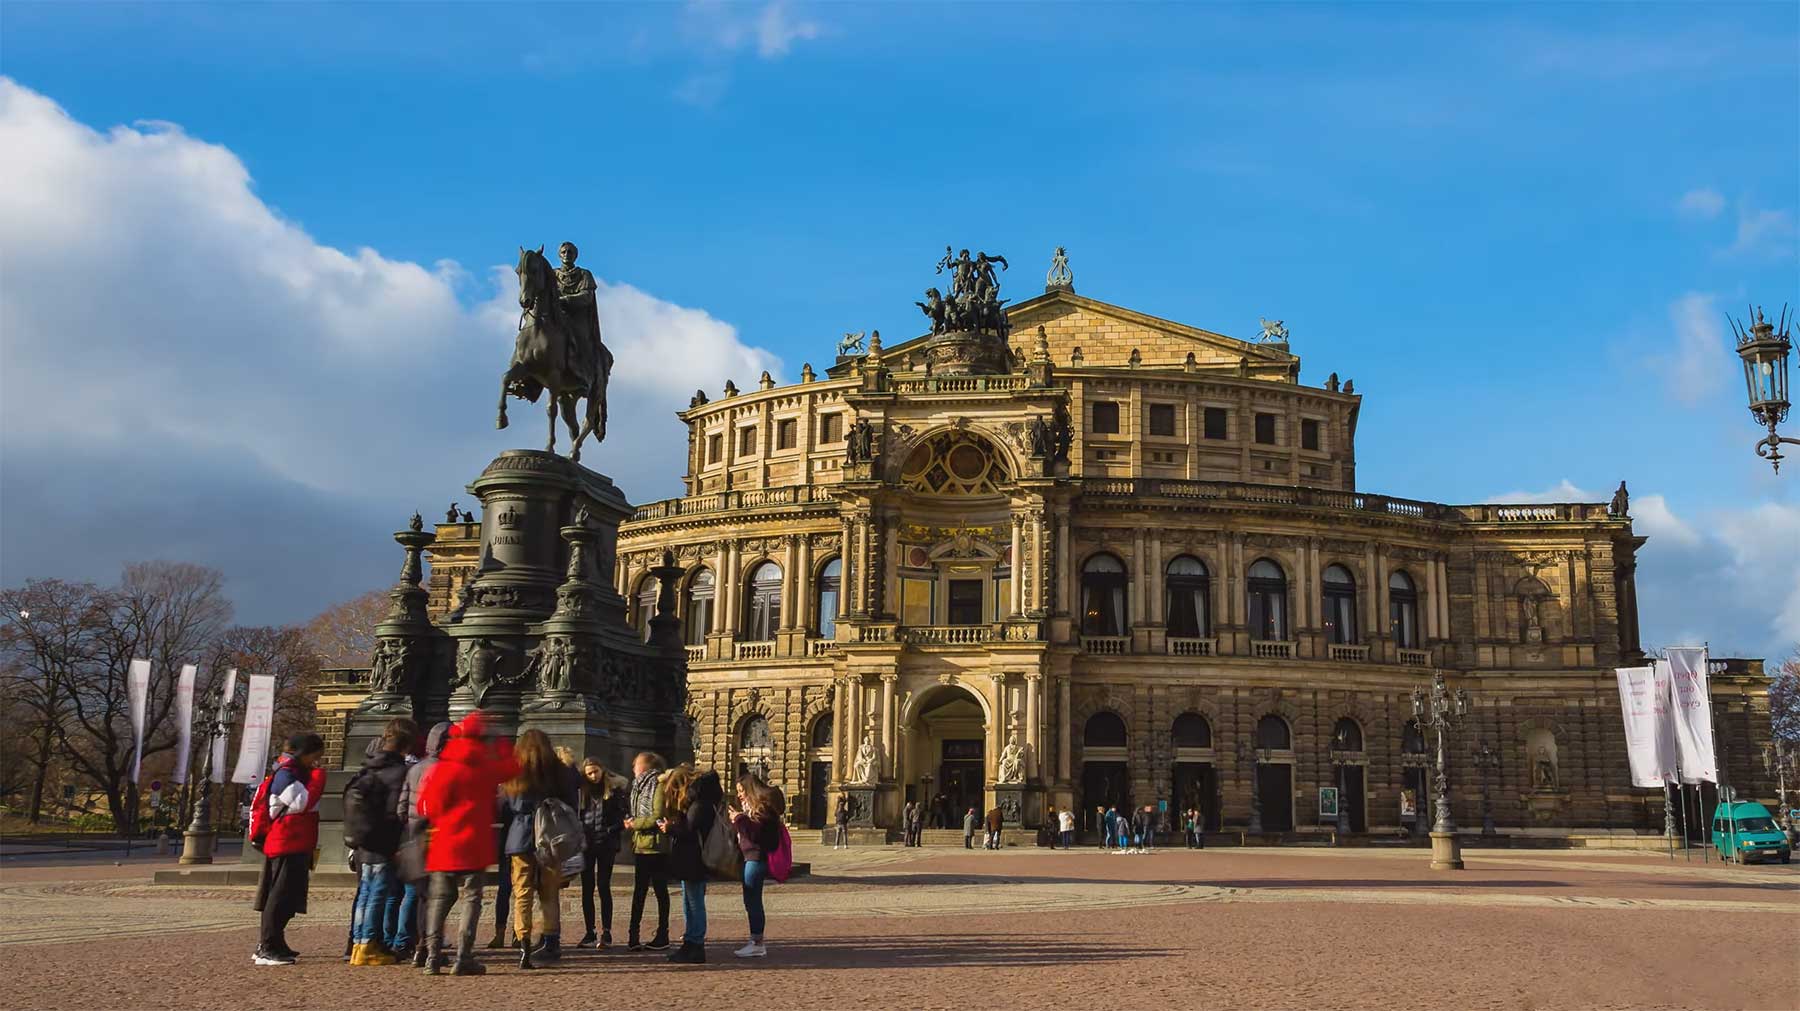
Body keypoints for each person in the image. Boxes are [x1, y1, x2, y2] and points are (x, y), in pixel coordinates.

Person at [417, 712, 519, 976]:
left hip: (446, 841)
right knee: (472, 899)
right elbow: (513, 768)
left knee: (438, 900)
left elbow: (430, 806)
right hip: (476, 842)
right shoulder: (485, 766)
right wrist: (500, 742)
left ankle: (432, 955)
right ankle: (464, 955)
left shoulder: (445, 767)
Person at [500, 729, 576, 969]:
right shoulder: (560, 772)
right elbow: (571, 803)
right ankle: (551, 941)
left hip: (520, 835)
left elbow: (509, 806)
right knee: (549, 893)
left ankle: (523, 943)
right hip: (551, 836)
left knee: (522, 892)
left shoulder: (514, 772)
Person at [250, 731, 327, 966]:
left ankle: (276, 941)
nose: (316, 762)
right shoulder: (286, 773)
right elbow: (301, 802)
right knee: (279, 895)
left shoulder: (292, 771)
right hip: (286, 842)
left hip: (295, 841)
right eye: (314, 757)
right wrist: (318, 777)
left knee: (287, 895)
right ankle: (267, 946)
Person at [348, 719, 416, 966]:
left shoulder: (369, 767)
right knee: (378, 894)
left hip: (364, 839)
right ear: (406, 745)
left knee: (366, 893)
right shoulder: (399, 772)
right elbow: (397, 811)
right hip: (385, 840)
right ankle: (368, 946)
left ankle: (358, 944)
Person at [396, 721, 451, 967]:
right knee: (439, 897)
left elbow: (401, 806)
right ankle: (430, 948)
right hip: (438, 837)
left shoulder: (414, 768)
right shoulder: (446, 768)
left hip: (415, 837)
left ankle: (420, 946)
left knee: (423, 897)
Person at [660, 764, 722, 964]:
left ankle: (696, 943)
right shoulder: (697, 801)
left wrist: (670, 828)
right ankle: (689, 941)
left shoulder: (700, 803)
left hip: (696, 859)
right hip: (690, 859)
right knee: (689, 902)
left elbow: (690, 830)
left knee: (695, 902)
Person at [728, 773, 783, 958]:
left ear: (750, 790)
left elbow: (756, 835)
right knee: (750, 901)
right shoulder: (752, 808)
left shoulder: (762, 809)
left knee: (753, 901)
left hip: (756, 859)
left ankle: (757, 942)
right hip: (748, 858)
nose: (740, 795)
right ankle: (755, 940)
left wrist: (740, 819)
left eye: (742, 791)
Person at [624, 751, 672, 952]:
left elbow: (658, 816)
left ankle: (663, 934)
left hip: (656, 846)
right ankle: (633, 936)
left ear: (644, 765)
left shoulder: (658, 785)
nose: (633, 767)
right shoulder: (637, 786)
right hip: (640, 845)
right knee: (639, 892)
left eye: (636, 763)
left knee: (660, 891)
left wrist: (635, 823)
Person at [577, 757, 627, 949]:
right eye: (589, 772)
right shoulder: (582, 792)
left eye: (596, 771)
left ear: (602, 770)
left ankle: (607, 931)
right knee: (587, 888)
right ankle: (590, 931)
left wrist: (609, 830)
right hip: (587, 844)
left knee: (604, 886)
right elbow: (578, 815)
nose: (593, 776)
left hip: (606, 843)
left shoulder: (614, 791)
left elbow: (622, 817)